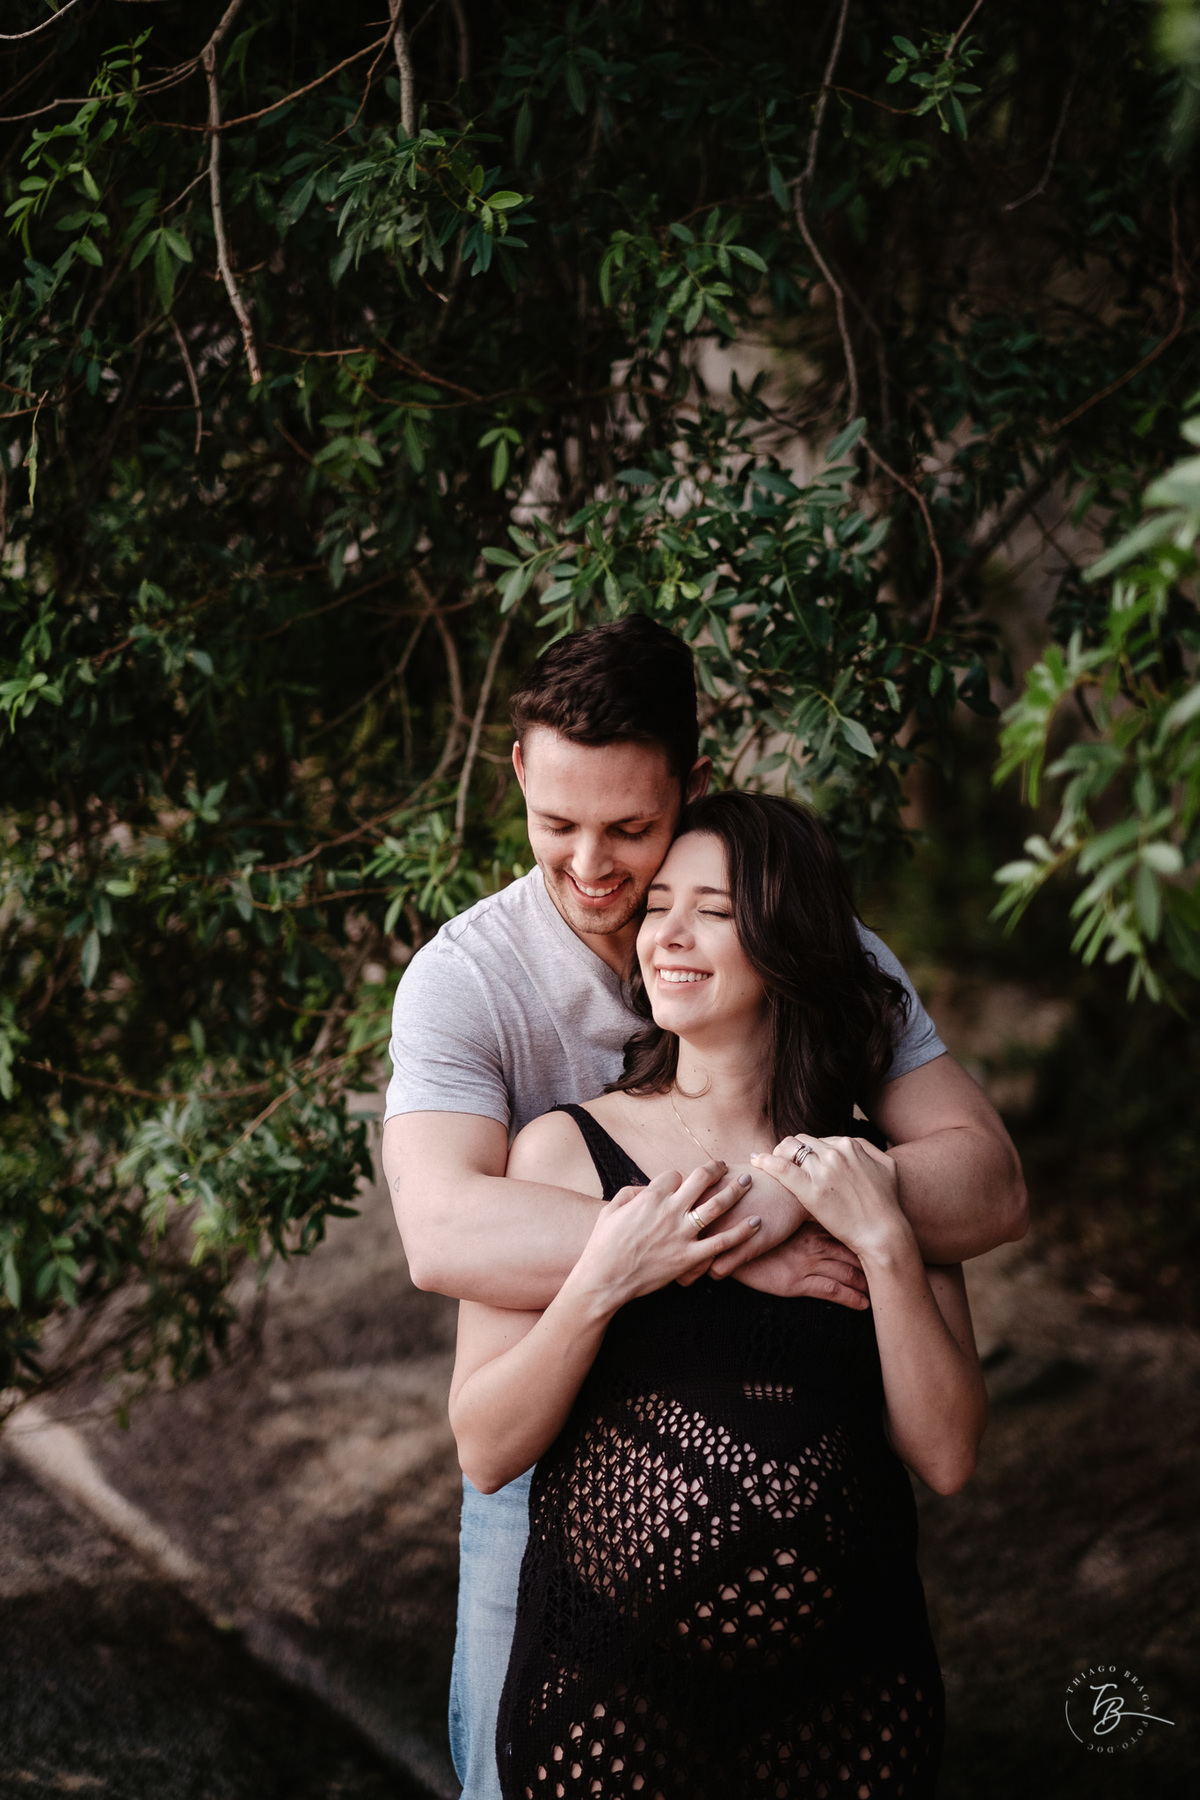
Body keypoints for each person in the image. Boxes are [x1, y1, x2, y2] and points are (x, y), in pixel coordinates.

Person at [382, 616, 1025, 1800]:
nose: (593, 871)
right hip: (558, 1458)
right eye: (556, 825)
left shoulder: (814, 953)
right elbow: (446, 1235)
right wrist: (725, 1246)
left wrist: (802, 1200)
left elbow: (984, 1183)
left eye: (631, 829)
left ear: (693, 781)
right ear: (517, 771)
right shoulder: (467, 983)